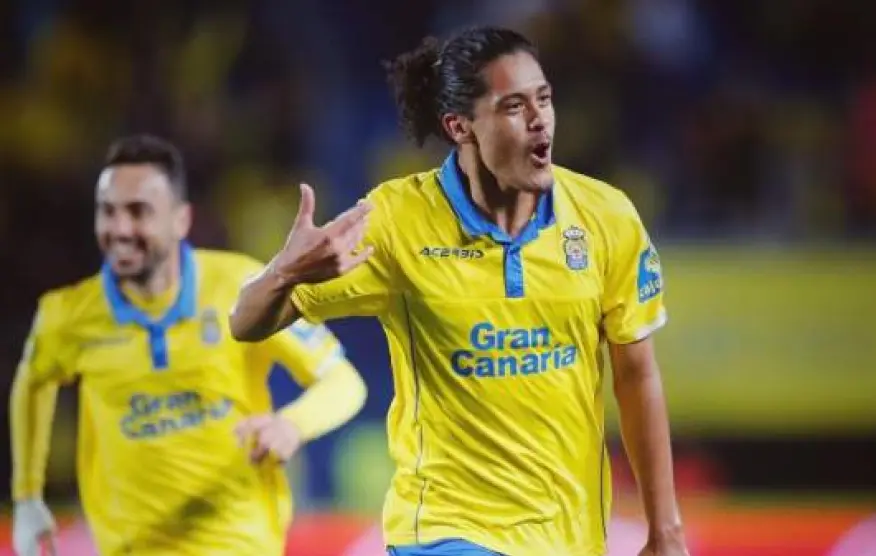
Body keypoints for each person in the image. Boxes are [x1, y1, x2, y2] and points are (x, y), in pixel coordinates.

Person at [230, 26, 689, 556]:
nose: (539, 119)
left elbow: (636, 375)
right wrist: (284, 272)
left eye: (544, 99)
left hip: (568, 538)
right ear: (459, 126)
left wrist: (665, 528)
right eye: (513, 106)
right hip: (445, 530)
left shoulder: (605, 217)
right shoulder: (398, 221)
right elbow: (246, 323)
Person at [9, 134, 368, 556]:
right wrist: (27, 497)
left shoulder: (240, 288)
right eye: (108, 211)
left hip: (235, 541)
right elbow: (32, 384)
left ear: (180, 220)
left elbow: (344, 382)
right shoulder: (67, 315)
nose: (120, 229)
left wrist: (292, 425)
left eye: (138, 211)